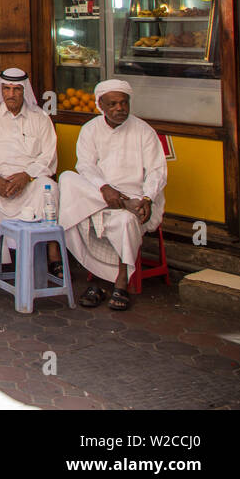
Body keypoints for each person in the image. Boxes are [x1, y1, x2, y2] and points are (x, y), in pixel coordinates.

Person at [59, 79, 166, 312]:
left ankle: (118, 283)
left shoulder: (144, 131)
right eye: (113, 104)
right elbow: (85, 167)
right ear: (101, 105)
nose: (120, 108)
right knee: (67, 178)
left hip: (138, 199)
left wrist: (147, 198)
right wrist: (104, 187)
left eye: (124, 103)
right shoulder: (90, 129)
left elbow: (157, 171)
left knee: (125, 220)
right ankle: (100, 277)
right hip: (99, 196)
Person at [0, 68, 63, 274]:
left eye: (16, 89)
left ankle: (52, 253)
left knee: (50, 188)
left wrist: (26, 176)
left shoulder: (40, 118)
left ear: (24, 91)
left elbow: (48, 157)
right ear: (1, 90)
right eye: (7, 89)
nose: (11, 94)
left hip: (28, 182)